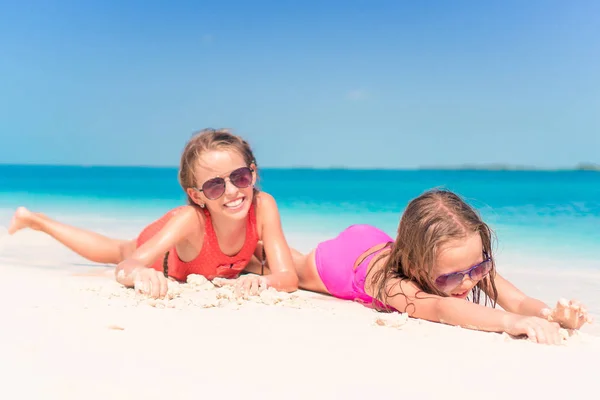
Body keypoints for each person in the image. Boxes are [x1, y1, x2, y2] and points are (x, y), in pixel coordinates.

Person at [8, 128, 299, 299]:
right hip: (166, 251)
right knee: (118, 249)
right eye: (214, 186)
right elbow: (125, 266)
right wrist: (139, 274)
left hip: (219, 259)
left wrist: (266, 281)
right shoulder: (190, 220)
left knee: (261, 260)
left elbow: (287, 277)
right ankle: (37, 220)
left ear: (253, 173)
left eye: (239, 177)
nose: (233, 191)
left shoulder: (263, 206)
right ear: (197, 196)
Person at [276, 188, 592, 345]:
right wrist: (512, 322)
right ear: (415, 263)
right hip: (337, 263)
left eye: (480, 268)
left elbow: (518, 300)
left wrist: (549, 315)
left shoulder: (464, 262)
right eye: (452, 278)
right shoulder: (390, 284)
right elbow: (442, 310)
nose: (469, 283)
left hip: (376, 240)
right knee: (281, 264)